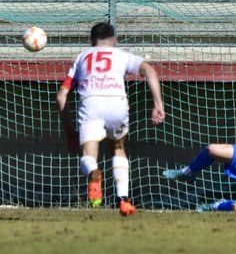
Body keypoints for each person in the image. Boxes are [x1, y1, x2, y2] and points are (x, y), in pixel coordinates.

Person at [57, 22, 165, 216]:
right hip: (116, 101)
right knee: (117, 148)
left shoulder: (82, 57)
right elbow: (149, 70)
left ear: (91, 41)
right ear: (114, 40)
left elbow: (61, 95)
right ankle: (123, 199)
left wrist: (69, 130)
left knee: (89, 154)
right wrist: (158, 104)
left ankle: (93, 173)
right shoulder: (121, 55)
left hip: (91, 102)